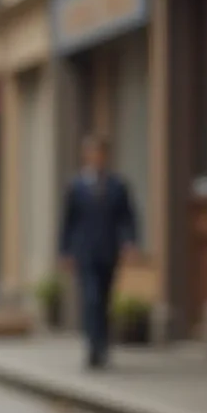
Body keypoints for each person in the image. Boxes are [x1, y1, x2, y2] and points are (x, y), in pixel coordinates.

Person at [59, 134, 138, 369]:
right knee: (91, 298)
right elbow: (68, 221)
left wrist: (130, 242)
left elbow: (128, 217)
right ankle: (93, 347)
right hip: (85, 251)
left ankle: (103, 344)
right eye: (92, 153)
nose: (97, 157)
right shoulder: (76, 186)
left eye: (101, 153)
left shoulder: (117, 185)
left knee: (104, 299)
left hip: (108, 250)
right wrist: (65, 251)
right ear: (86, 156)